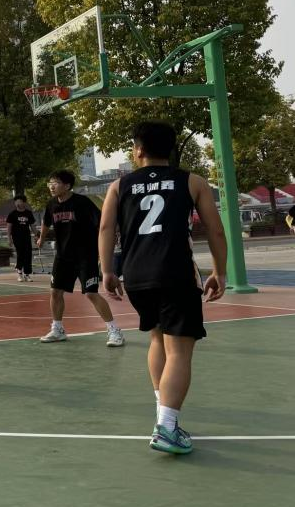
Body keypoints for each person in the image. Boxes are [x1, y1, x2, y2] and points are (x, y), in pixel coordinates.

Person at [99, 121, 227, 455]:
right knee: (179, 351)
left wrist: (107, 271)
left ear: (139, 149)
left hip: (136, 275)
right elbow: (215, 230)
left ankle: (163, 417)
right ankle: (167, 428)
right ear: (169, 149)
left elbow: (106, 229)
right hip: (175, 273)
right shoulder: (192, 181)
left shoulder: (118, 186)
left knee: (157, 339)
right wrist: (220, 271)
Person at [36, 170, 124, 348]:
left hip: (85, 255)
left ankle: (114, 330)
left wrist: (111, 238)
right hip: (63, 256)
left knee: (91, 293)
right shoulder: (51, 204)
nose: (51, 186)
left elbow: (102, 223)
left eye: (56, 183)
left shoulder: (82, 203)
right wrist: (41, 238)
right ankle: (58, 329)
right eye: (50, 183)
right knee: (55, 292)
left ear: (67, 186)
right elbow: (46, 222)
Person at [7, 195, 36, 282]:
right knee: (20, 253)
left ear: (24, 203)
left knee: (28, 254)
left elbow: (32, 226)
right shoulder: (12, 214)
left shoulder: (28, 213)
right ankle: (19, 272)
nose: (17, 203)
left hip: (26, 236)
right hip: (16, 237)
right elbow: (9, 227)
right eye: (16, 202)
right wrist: (9, 238)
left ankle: (27, 274)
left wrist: (37, 235)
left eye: (19, 201)